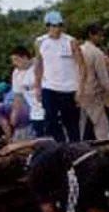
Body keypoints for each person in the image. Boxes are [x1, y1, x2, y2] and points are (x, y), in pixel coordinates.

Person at [35, 11, 85, 143]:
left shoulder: (71, 41)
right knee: (50, 120)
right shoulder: (40, 42)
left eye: (59, 26)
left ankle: (75, 147)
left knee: (71, 122)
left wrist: (80, 89)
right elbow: (39, 65)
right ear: (48, 26)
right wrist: (37, 87)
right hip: (49, 87)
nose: (56, 29)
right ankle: (61, 145)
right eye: (53, 26)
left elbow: (81, 66)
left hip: (68, 88)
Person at [78, 23, 109, 141]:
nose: (101, 39)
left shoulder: (79, 50)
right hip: (93, 93)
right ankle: (103, 151)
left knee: (81, 125)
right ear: (91, 35)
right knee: (102, 127)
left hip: (78, 93)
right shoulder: (97, 53)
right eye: (99, 36)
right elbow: (103, 79)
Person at [10, 46, 46, 139]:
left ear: (25, 57)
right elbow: (18, 95)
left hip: (49, 110)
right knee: (41, 140)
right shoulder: (16, 73)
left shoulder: (40, 66)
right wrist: (14, 113)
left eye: (16, 60)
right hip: (35, 113)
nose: (14, 63)